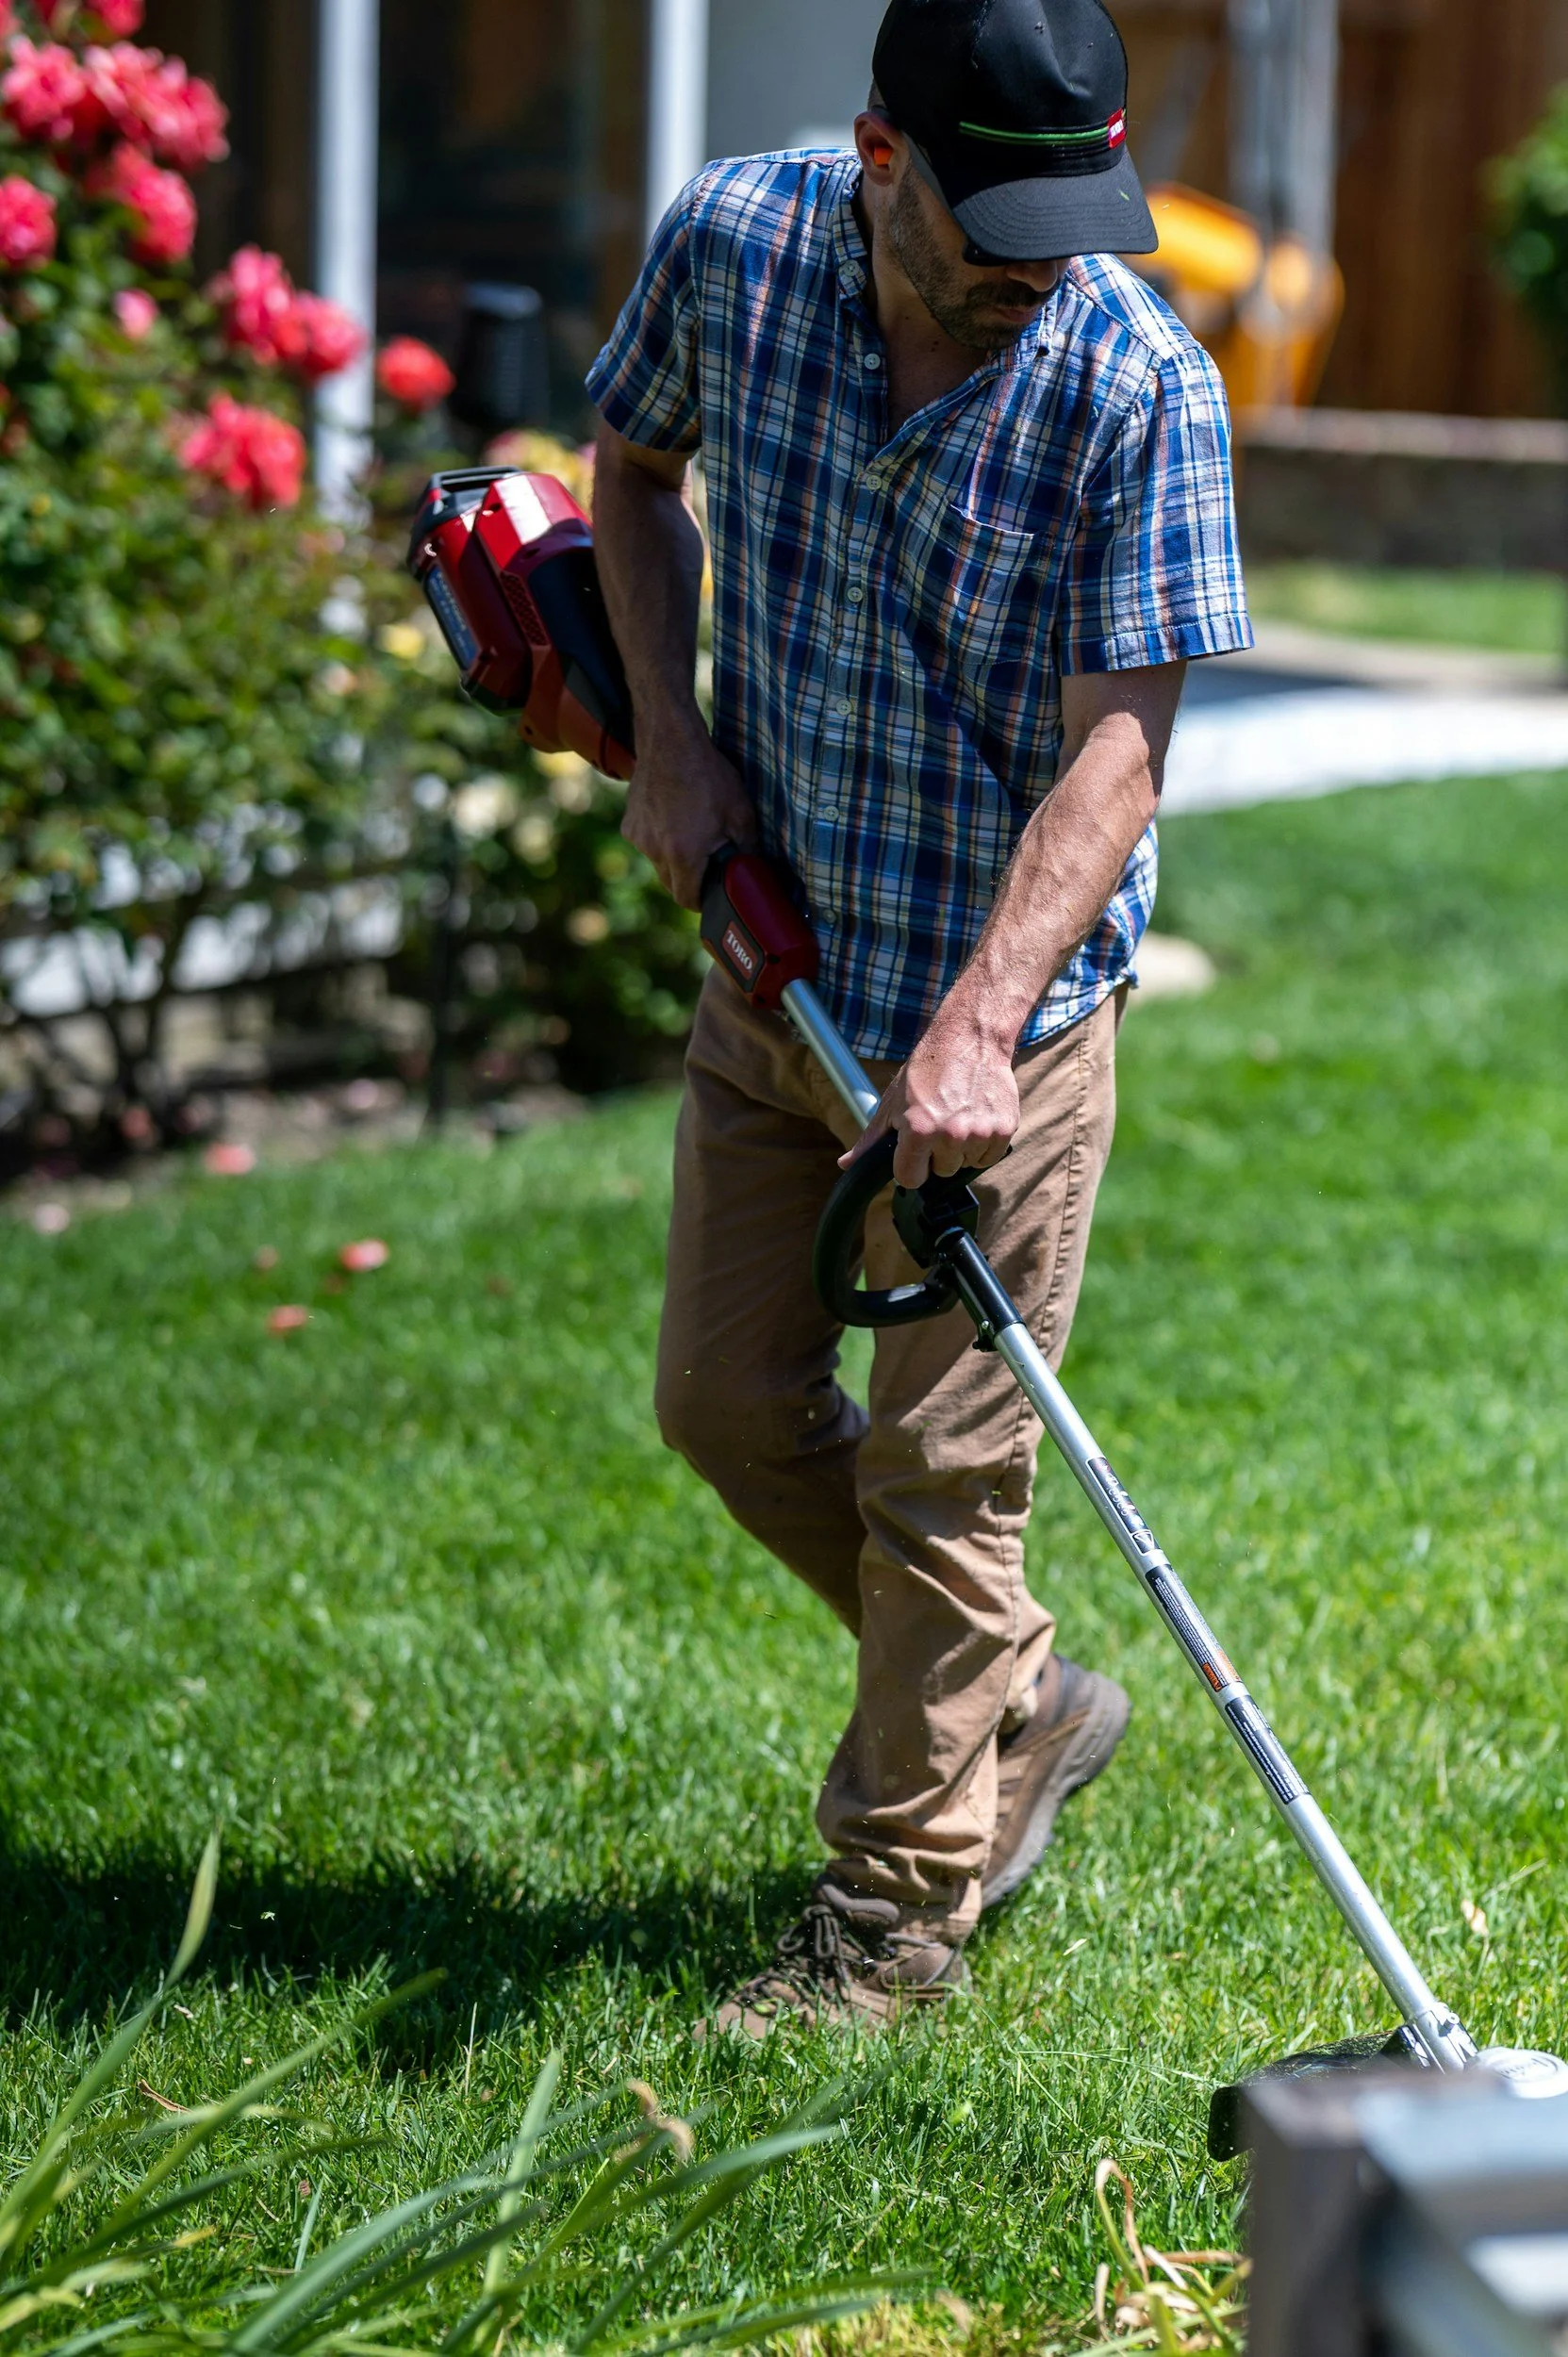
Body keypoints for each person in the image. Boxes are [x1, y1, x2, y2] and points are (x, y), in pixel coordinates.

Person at [586, 0, 1253, 2034]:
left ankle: (889, 1916)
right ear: (884, 159)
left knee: (946, 1476)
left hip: (1007, 1029)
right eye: (1000, 220)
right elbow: (627, 470)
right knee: (721, 1399)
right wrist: (670, 744)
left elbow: (1117, 757)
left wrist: (980, 1023)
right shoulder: (737, 242)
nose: (1047, 261)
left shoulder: (1140, 387)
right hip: (781, 961)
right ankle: (1020, 1702)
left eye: (1081, 210)